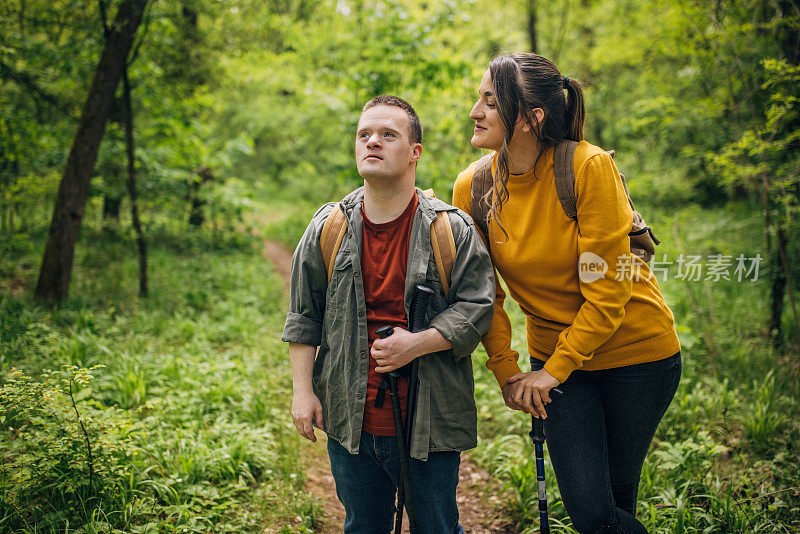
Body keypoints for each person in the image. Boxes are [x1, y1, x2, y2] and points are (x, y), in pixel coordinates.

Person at [452, 53, 682, 534]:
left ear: (531, 118)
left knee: (608, 509)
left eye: (490, 102)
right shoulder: (472, 187)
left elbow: (608, 294)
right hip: (554, 359)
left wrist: (551, 373)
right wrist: (507, 370)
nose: (475, 110)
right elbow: (483, 292)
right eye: (478, 98)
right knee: (594, 511)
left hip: (636, 353)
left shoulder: (588, 167)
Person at [282, 95, 494, 534]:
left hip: (430, 423)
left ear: (415, 151)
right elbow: (304, 316)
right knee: (362, 527)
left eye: (388, 134)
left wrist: (416, 344)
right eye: (364, 135)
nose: (372, 142)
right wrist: (303, 392)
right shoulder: (328, 226)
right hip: (348, 422)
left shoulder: (450, 229)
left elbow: (479, 307)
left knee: (437, 527)